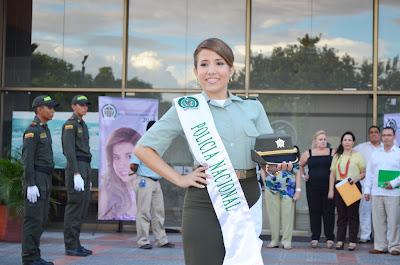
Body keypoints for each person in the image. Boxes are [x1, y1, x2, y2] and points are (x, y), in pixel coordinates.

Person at [133, 38, 291, 265]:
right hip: (204, 200)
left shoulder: (252, 107)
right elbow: (143, 149)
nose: (211, 71)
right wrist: (179, 178)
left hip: (247, 196)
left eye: (219, 63)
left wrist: (276, 166)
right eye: (204, 64)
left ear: (231, 69)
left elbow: (266, 156)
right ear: (196, 72)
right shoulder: (187, 109)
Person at [21, 95, 59, 265]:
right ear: (39, 110)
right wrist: (30, 184)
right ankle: (29, 258)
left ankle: (35, 255)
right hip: (36, 179)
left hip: (45, 179)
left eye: (53, 108)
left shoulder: (45, 129)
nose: (53, 111)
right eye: (49, 108)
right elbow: (27, 159)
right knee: (33, 220)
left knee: (41, 220)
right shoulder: (33, 130)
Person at [130, 121, 175, 250]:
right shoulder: (142, 145)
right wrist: (145, 170)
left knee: (159, 212)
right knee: (143, 212)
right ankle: (143, 241)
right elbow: (133, 165)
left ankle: (161, 240)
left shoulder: (157, 147)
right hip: (144, 181)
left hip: (156, 182)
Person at [62, 95, 93, 257]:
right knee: (74, 207)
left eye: (86, 105)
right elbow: (69, 151)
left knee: (82, 208)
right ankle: (70, 245)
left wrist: (87, 175)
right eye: (81, 105)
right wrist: (76, 173)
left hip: (85, 168)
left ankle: (76, 243)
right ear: (73, 106)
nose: (84, 107)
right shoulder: (70, 125)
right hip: (77, 168)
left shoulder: (83, 125)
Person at [364, 127, 400, 255]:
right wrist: (367, 190)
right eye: (384, 135)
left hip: (394, 193)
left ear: (394, 137)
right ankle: (380, 246)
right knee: (378, 221)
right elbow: (369, 173)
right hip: (377, 192)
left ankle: (395, 246)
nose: (386, 138)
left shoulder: (398, 152)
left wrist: (393, 183)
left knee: (394, 220)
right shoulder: (376, 153)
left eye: (389, 135)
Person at [328, 131, 366, 251]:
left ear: (353, 142)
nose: (347, 142)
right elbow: (333, 173)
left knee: (353, 215)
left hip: (352, 185)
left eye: (350, 140)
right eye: (345, 140)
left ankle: (353, 241)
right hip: (340, 186)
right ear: (342, 142)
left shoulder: (358, 155)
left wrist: (357, 178)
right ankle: (340, 240)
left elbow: (364, 172)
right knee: (341, 215)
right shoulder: (337, 156)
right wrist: (331, 189)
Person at [299, 130, 336, 249]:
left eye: (324, 139)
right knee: (314, 211)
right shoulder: (308, 153)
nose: (323, 141)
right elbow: (299, 165)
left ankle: (330, 237)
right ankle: (315, 237)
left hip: (329, 187)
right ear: (315, 141)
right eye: (320, 139)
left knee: (329, 212)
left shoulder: (332, 152)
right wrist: (303, 175)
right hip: (312, 187)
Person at [98, 127, 141, 220]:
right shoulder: (108, 190)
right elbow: (102, 217)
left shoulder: (148, 186)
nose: (122, 165)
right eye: (116, 158)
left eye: (129, 156)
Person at [261, 164, 301, 250]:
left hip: (288, 187)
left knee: (287, 215)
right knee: (273, 215)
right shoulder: (269, 153)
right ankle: (274, 241)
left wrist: (298, 190)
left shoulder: (291, 153)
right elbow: (262, 169)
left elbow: (298, 172)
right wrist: (266, 182)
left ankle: (286, 241)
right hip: (271, 188)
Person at [353, 126, 383, 243]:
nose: (373, 134)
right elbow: (348, 151)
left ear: (380, 134)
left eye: (376, 132)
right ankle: (365, 235)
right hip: (366, 184)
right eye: (371, 132)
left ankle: (384, 238)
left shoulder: (385, 148)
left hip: (382, 185)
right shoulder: (361, 147)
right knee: (365, 211)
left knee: (381, 213)